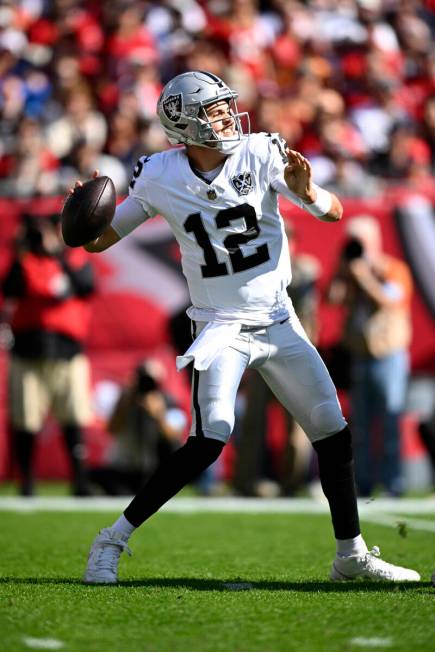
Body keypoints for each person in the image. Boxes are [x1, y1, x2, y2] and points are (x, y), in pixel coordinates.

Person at [77, 71, 419, 584]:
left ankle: (350, 555)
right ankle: (110, 540)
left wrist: (308, 193)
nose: (226, 116)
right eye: (213, 110)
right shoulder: (160, 175)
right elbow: (101, 241)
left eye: (224, 106)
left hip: (279, 319)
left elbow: (334, 211)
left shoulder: (261, 152)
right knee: (210, 436)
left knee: (332, 430)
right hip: (221, 327)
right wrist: (83, 217)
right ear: (185, 125)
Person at [2, 212, 95, 496]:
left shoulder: (75, 259)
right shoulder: (26, 261)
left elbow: (85, 287)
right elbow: (10, 289)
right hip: (29, 351)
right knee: (26, 418)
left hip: (68, 352)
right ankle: (27, 481)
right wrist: (21, 251)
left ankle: (79, 481)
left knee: (74, 418)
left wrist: (58, 254)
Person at [233, 221, 320, 497]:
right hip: (262, 351)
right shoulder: (258, 267)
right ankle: (246, 481)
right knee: (253, 421)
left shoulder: (305, 268)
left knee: (296, 424)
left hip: (295, 354)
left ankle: (293, 482)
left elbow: (300, 287)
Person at [328, 216, 413, 497]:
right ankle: (363, 483)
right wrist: (343, 273)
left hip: (389, 354)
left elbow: (389, 302)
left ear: (374, 242)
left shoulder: (394, 269)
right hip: (360, 354)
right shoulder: (350, 271)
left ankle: (393, 483)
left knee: (389, 421)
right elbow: (331, 299)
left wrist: (365, 275)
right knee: (360, 425)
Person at [88, 359, 186, 495]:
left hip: (153, 470)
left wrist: (159, 416)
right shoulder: (123, 398)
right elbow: (111, 429)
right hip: (123, 468)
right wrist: (125, 403)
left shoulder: (168, 401)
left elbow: (175, 437)